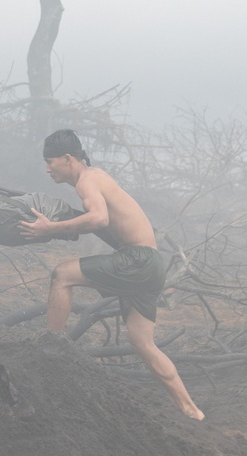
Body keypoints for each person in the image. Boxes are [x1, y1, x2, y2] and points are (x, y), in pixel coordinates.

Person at [19, 129, 205, 421]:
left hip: (137, 259)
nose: (47, 168)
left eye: (50, 161)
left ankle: (50, 347)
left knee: (61, 274)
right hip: (151, 263)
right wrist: (65, 224)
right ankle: (191, 410)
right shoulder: (96, 176)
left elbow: (99, 218)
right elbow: (104, 222)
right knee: (143, 343)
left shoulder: (87, 181)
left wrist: (50, 229)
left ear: (68, 158)